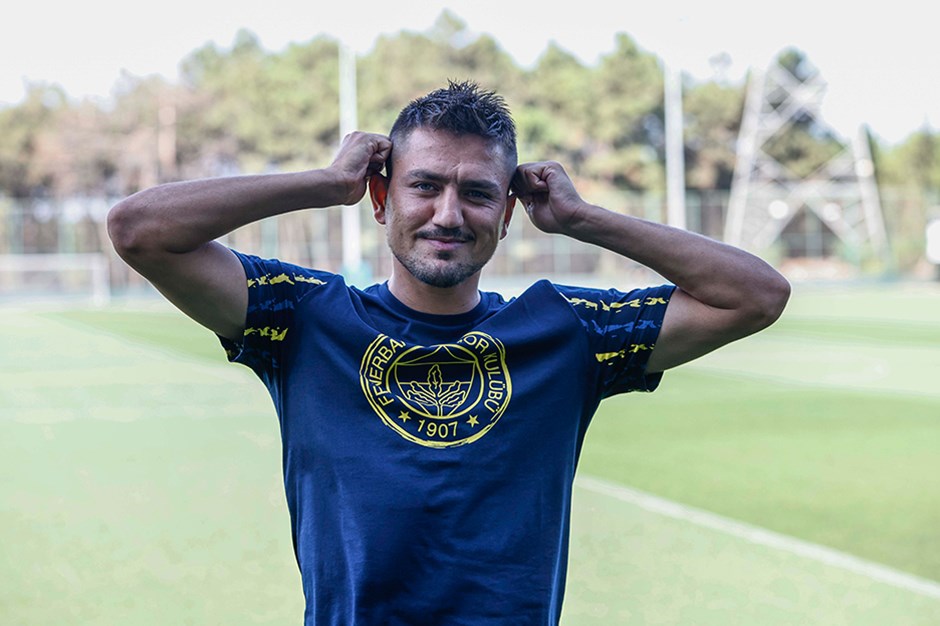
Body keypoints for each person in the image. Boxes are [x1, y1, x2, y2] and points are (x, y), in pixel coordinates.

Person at [108, 80, 789, 625]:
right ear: (381, 197)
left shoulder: (566, 331)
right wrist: (324, 183)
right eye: (425, 185)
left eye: (478, 193)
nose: (448, 214)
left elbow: (755, 295)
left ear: (507, 214)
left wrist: (583, 218)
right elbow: (139, 230)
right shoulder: (304, 317)